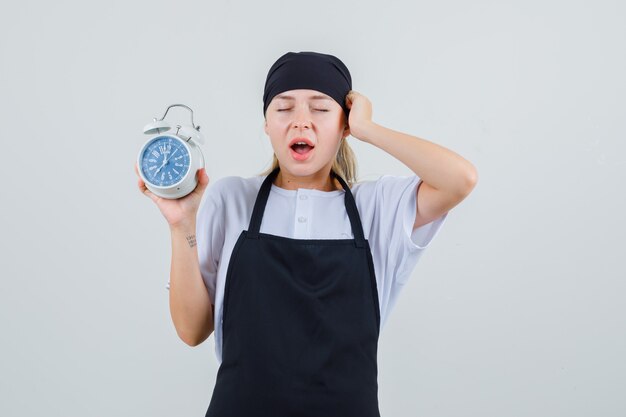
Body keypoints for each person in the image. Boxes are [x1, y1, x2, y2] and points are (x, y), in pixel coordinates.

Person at [135, 51, 477, 417]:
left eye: (320, 109)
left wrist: (368, 129)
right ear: (266, 123)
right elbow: (191, 330)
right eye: (283, 109)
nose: (301, 123)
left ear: (344, 124)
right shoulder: (232, 198)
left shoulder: (377, 208)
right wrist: (181, 224)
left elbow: (460, 179)